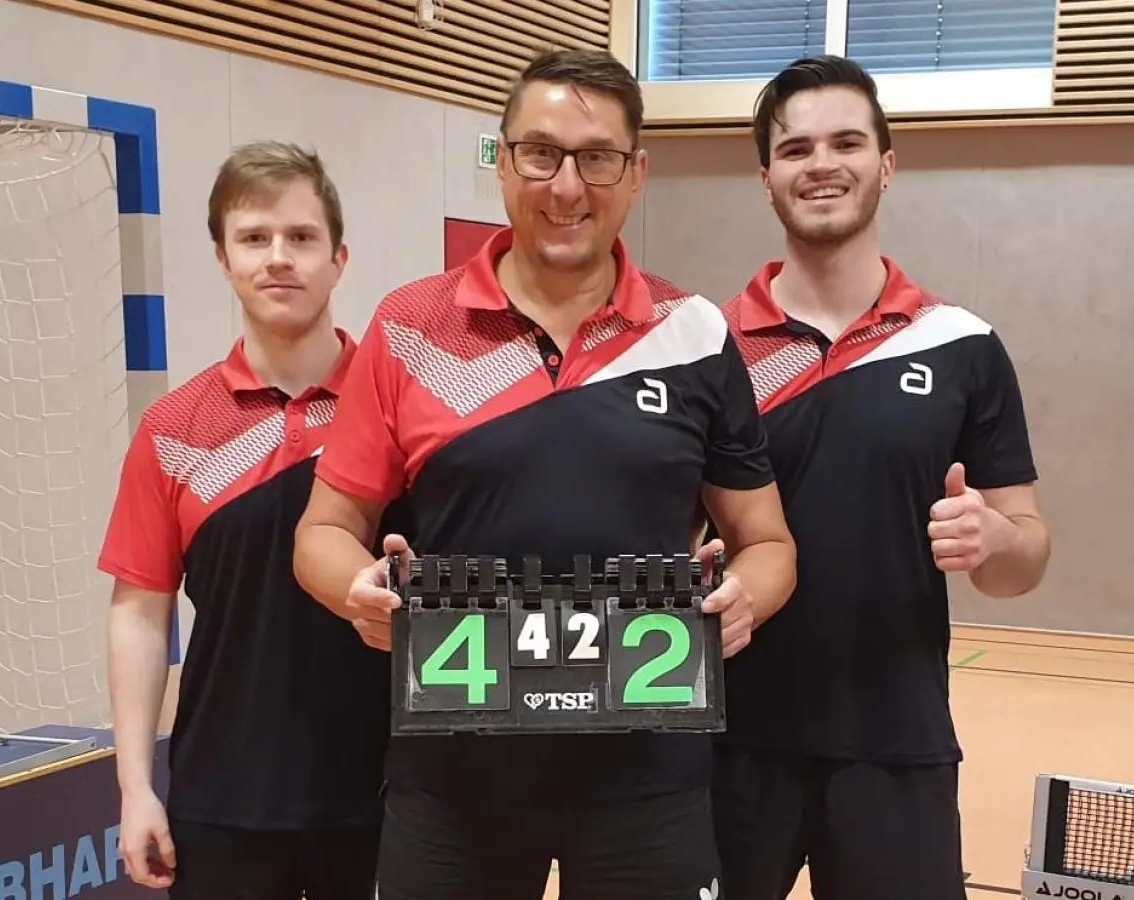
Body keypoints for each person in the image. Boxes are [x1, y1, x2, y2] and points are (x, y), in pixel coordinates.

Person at [292, 48, 798, 900]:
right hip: (453, 784)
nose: (568, 186)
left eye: (597, 158)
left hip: (649, 780)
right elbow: (321, 532)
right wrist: (357, 588)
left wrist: (748, 593)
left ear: (636, 174)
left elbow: (769, 542)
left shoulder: (696, 332)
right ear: (503, 162)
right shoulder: (410, 327)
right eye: (541, 153)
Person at [710, 56, 1052, 900]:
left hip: (895, 742)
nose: (820, 163)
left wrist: (997, 539)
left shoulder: (962, 345)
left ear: (886, 165)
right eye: (795, 149)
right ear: (767, 179)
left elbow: (1026, 558)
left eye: (846, 142)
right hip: (724, 744)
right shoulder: (706, 348)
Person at [98, 141, 397, 900]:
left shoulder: (399, 409)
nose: (278, 259)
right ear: (224, 260)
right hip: (223, 799)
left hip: (387, 796)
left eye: (301, 238)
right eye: (254, 239)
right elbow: (139, 612)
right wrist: (136, 789)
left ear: (339, 257)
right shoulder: (174, 429)